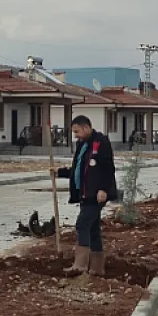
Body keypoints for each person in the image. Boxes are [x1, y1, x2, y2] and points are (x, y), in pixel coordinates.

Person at [56, 115, 117, 277]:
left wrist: (103, 189)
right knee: (92, 229)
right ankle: (97, 269)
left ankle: (80, 265)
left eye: (76, 131)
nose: (75, 135)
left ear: (85, 127)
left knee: (82, 224)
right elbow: (78, 169)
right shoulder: (82, 145)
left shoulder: (101, 142)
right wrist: (60, 172)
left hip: (96, 195)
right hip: (84, 193)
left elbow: (108, 168)